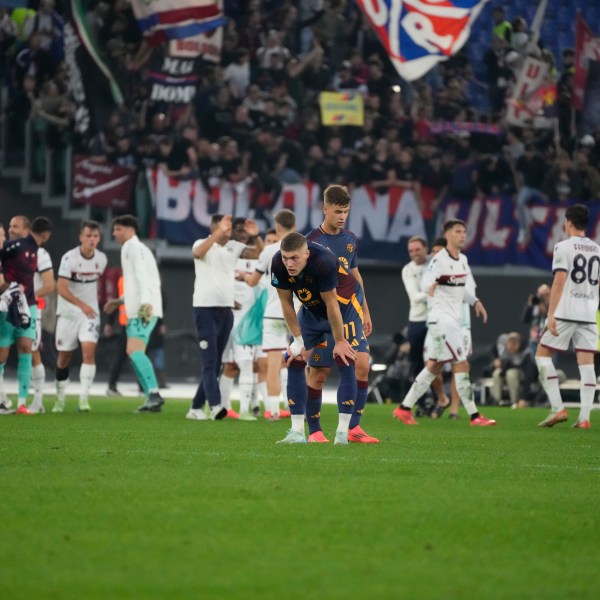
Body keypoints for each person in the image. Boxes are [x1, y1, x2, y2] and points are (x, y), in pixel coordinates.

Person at [393, 219, 496, 427]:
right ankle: (475, 416)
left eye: (464, 231)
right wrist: (430, 285)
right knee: (461, 362)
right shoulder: (438, 260)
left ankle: (404, 408)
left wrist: (475, 301)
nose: (462, 235)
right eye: (458, 231)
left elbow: (462, 288)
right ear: (447, 235)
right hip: (441, 320)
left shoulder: (463, 260)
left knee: (434, 366)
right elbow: (426, 282)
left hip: (453, 319)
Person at [271, 232, 366, 445]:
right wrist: (298, 340)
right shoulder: (278, 262)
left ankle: (342, 434)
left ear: (307, 253)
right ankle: (297, 433)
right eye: (286, 257)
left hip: (345, 306)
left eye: (294, 258)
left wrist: (340, 341)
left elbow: (332, 303)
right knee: (294, 358)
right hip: (311, 309)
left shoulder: (322, 261)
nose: (289, 263)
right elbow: (285, 303)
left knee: (345, 359)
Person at [302, 184, 378, 443]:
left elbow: (355, 274)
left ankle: (353, 428)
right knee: (320, 374)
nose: (342, 216)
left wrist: (366, 310)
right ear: (325, 209)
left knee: (362, 365)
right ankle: (314, 431)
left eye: (346, 211)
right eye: (337, 211)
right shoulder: (310, 242)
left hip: (351, 311)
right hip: (323, 315)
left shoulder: (350, 239)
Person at [187, 214, 263, 421]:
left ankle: (195, 408)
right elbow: (197, 253)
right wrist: (216, 234)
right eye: (225, 229)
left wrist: (256, 237)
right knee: (210, 362)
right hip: (205, 310)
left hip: (225, 312)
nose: (228, 233)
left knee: (216, 363)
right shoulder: (203, 243)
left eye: (229, 230)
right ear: (214, 228)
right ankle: (215, 406)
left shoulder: (233, 247)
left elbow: (262, 255)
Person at [536, 204, 600, 429]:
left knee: (542, 355)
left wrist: (551, 314)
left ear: (568, 223)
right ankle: (584, 418)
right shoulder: (597, 249)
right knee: (587, 364)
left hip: (566, 311)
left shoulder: (563, 247)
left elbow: (559, 280)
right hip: (589, 313)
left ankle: (557, 408)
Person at [103, 215, 165, 413]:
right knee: (135, 352)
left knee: (134, 351)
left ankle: (154, 393)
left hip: (142, 310)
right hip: (140, 307)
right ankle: (150, 397)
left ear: (130, 230)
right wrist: (120, 300)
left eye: (118, 229)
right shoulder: (136, 248)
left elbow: (142, 277)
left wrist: (146, 304)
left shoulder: (133, 248)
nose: (114, 233)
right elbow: (136, 282)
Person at [241, 209, 296, 421]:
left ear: (278, 226)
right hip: (298, 313)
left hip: (275, 312)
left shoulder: (270, 251)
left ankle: (273, 410)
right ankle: (301, 409)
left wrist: (246, 276)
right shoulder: (306, 248)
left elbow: (253, 281)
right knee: (302, 362)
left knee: (273, 363)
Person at [51, 220, 107, 412]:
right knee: (64, 357)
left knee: (88, 353)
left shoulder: (102, 259)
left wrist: (90, 306)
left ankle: (84, 400)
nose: (92, 240)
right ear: (81, 237)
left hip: (90, 314)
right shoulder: (69, 259)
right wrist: (81, 305)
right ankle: (60, 400)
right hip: (68, 313)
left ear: (99, 239)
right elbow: (61, 288)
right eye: (88, 236)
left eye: (95, 236)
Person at [0, 216, 53, 415]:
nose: (11, 230)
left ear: (27, 229)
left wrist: (28, 296)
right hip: (5, 306)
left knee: (28, 350)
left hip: (28, 307)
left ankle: (26, 402)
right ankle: (2, 399)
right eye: (9, 227)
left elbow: (49, 284)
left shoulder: (41, 254)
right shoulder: (9, 250)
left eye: (15, 226)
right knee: (2, 351)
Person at [402, 235, 436, 415]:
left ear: (426, 248)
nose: (414, 254)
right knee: (416, 364)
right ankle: (422, 403)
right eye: (411, 251)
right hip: (417, 321)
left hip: (436, 319)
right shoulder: (408, 270)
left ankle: (439, 399)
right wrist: (434, 290)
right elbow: (414, 297)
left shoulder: (436, 262)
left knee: (437, 362)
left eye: (417, 250)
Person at [490, 332, 532, 409]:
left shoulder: (526, 352)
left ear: (518, 345)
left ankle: (515, 401)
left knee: (511, 374)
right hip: (505, 367)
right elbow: (493, 348)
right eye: (509, 347)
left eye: (513, 348)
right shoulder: (502, 340)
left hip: (519, 370)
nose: (511, 350)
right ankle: (496, 401)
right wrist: (495, 359)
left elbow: (529, 374)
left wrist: (523, 398)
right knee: (497, 373)